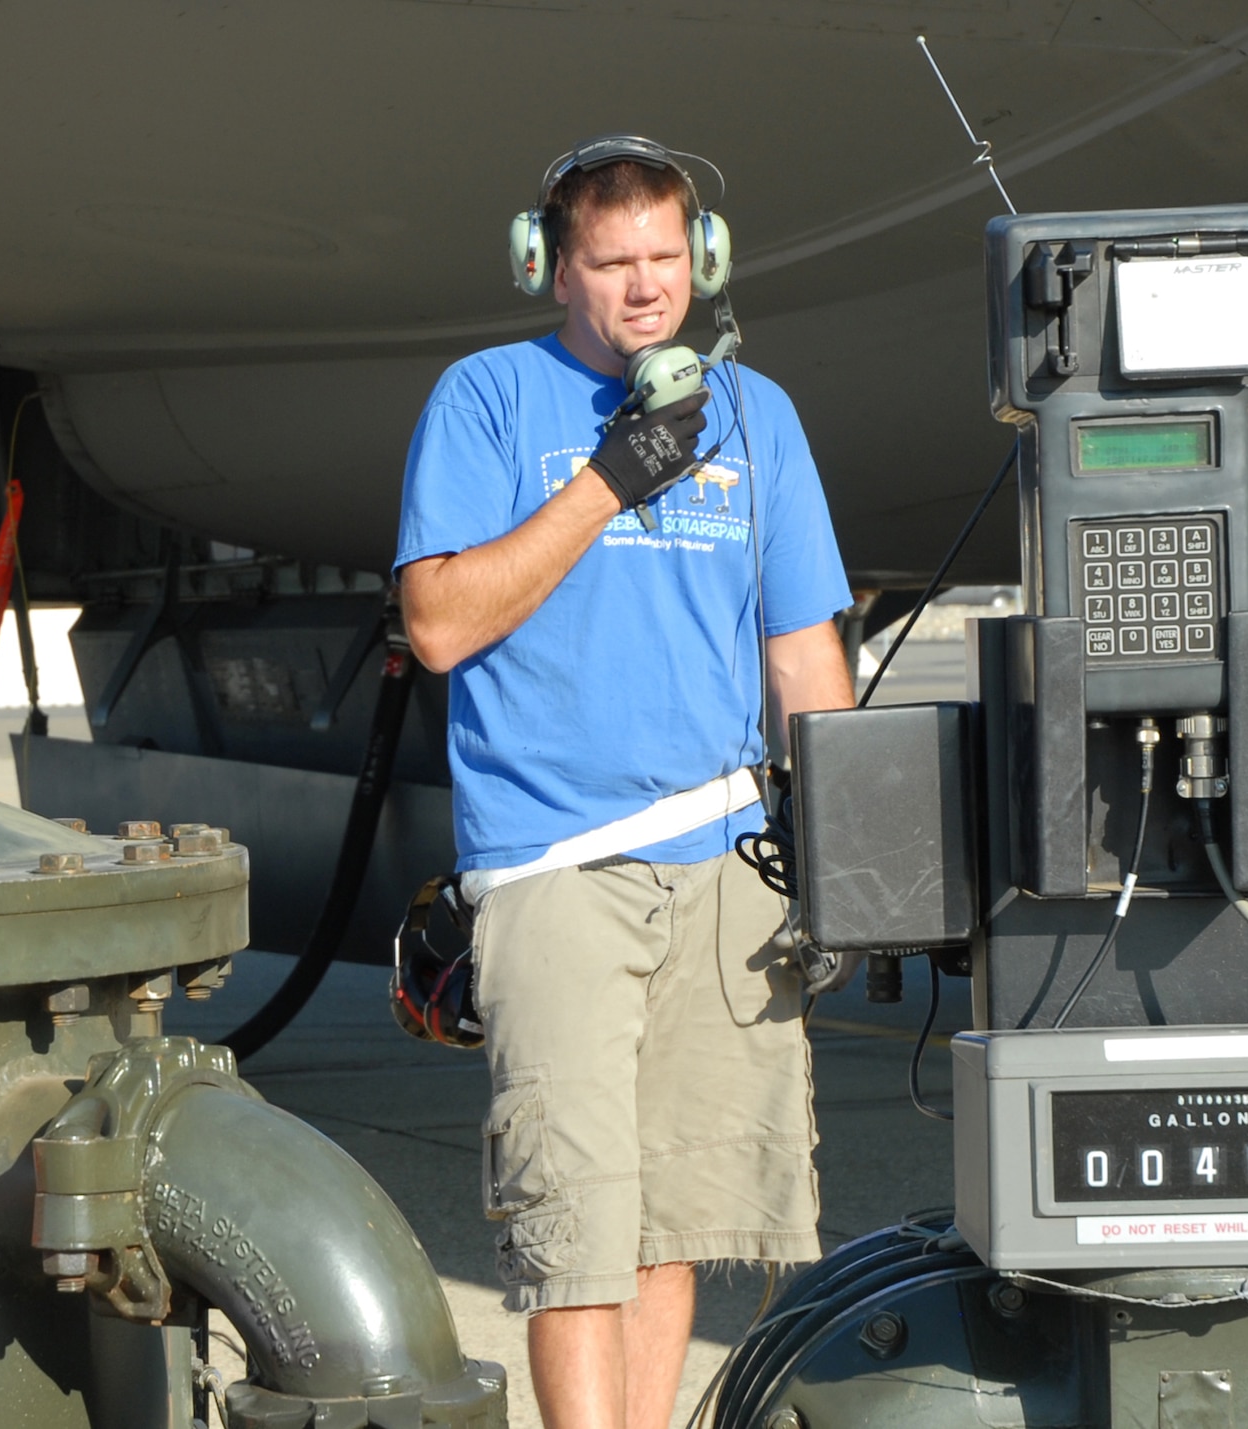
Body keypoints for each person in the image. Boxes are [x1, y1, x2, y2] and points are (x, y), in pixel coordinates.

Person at [393, 136, 855, 1429]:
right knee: (573, 1223)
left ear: (703, 261)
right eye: (613, 264)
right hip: (557, 865)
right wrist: (611, 480)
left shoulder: (758, 418)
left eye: (666, 259)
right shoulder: (487, 401)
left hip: (725, 861)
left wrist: (849, 859)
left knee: (675, 1220)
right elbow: (436, 623)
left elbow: (804, 650)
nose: (646, 289)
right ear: (552, 270)